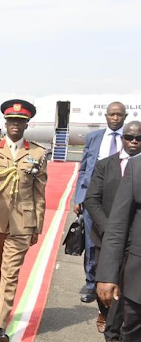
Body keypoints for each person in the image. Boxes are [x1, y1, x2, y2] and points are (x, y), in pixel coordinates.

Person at [0, 99, 47, 342]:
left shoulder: (37, 153)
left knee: (10, 275)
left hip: (21, 224)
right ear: (6, 123)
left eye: (20, 121)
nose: (16, 125)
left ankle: (0, 325)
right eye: (12, 121)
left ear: (27, 124)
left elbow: (39, 192)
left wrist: (37, 226)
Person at [85, 122, 141, 342]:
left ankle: (114, 334)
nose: (134, 141)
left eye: (139, 138)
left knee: (126, 291)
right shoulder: (104, 165)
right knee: (106, 282)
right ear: (122, 139)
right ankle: (108, 324)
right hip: (108, 236)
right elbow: (92, 200)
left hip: (134, 242)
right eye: (129, 137)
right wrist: (110, 230)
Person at [96, 123, 141, 342]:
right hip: (139, 273)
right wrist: (109, 273)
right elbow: (117, 225)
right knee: (135, 341)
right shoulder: (136, 169)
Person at [75, 102, 127, 304]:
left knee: (120, 243)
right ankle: (91, 285)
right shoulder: (93, 138)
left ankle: (118, 283)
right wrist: (79, 198)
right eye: (112, 114)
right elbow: (84, 168)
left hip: (120, 199)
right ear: (106, 116)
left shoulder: (130, 138)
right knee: (91, 244)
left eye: (119, 115)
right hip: (93, 200)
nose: (115, 118)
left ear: (124, 116)